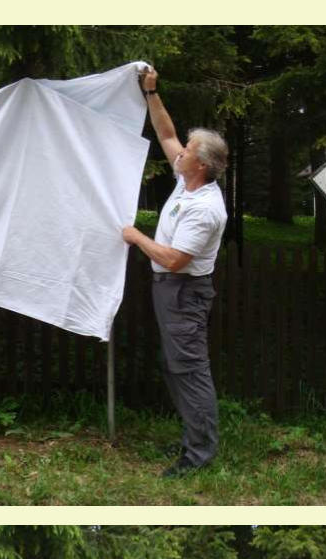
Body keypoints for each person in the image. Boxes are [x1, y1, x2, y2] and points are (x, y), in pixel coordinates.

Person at [122, 66, 228, 476]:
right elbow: (165, 134)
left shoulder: (205, 208)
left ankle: (198, 454)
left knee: (189, 368)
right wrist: (152, 93)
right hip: (172, 291)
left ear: (199, 164)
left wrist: (134, 236)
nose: (178, 150)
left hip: (183, 292)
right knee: (175, 364)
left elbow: (173, 260)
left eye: (188, 149)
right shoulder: (189, 182)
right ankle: (193, 437)